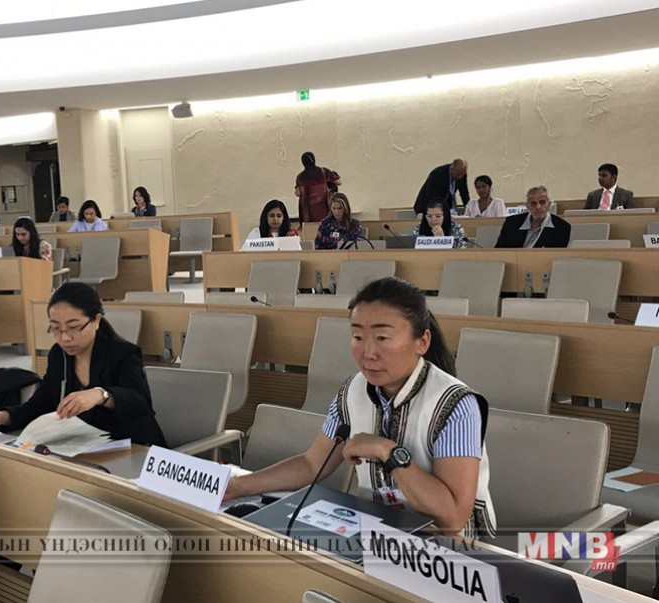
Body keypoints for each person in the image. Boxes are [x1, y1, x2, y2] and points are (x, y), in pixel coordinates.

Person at [225, 277, 496, 539]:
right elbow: (311, 464)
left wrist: (387, 451)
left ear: (422, 342)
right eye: (357, 337)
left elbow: (452, 519)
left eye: (382, 338)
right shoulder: (352, 391)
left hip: (447, 551)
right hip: (378, 535)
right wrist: (236, 486)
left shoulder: (456, 405)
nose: (368, 353)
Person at [0, 282, 166, 445]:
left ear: (96, 321)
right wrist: (5, 416)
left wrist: (101, 395)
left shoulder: (123, 353)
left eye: (74, 328)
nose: (65, 338)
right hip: (84, 446)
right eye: (56, 329)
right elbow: (41, 403)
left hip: (133, 445)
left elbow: (140, 401)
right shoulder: (59, 355)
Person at [495, 186, 571, 248]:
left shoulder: (562, 227)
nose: (538, 207)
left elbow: (556, 257)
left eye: (542, 202)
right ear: (527, 206)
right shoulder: (511, 223)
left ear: (549, 204)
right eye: (533, 203)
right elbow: (499, 252)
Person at [295, 152, 342, 225]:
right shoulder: (323, 172)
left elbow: (297, 193)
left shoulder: (300, 177)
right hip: (325, 208)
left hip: (309, 214)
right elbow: (339, 182)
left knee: (312, 230)